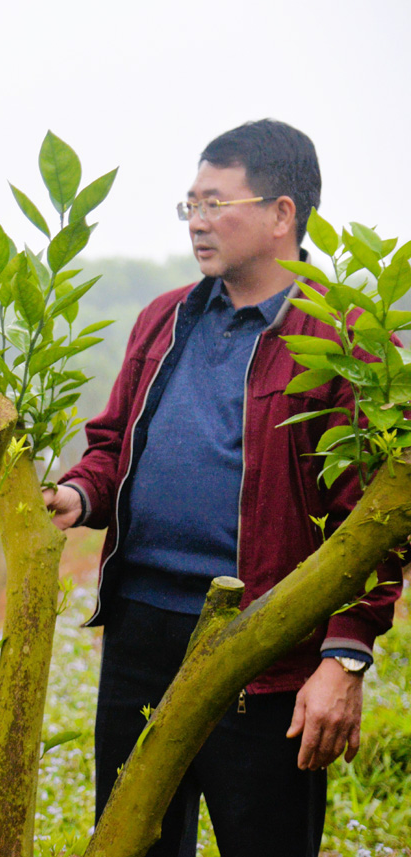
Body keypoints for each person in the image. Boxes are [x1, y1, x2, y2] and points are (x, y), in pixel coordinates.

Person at [44, 119, 402, 856]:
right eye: (190, 205)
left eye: (216, 203)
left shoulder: (348, 336)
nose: (198, 223)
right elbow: (114, 448)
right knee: (128, 838)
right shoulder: (166, 318)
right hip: (142, 633)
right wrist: (79, 494)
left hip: (264, 647)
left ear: (282, 214)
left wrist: (344, 654)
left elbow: (372, 519)